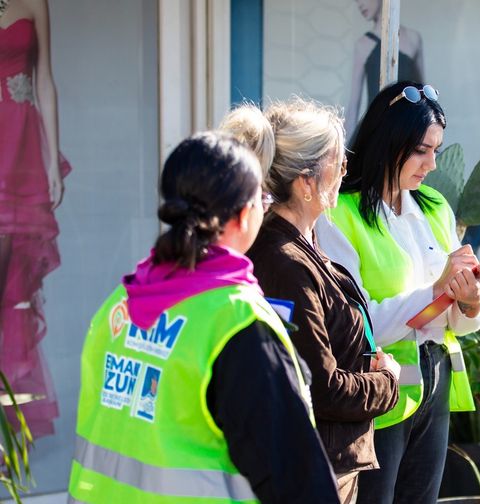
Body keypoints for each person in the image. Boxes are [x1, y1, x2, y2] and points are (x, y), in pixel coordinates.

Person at [69, 132, 339, 503]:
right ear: (245, 216)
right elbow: (298, 483)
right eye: (263, 198)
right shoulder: (236, 324)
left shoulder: (118, 305)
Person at [316, 81, 480, 504]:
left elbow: (461, 319)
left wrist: (470, 301)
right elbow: (355, 323)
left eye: (437, 150)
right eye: (421, 151)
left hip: (436, 379)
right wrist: (436, 290)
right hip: (378, 384)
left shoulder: (433, 205)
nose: (432, 164)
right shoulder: (339, 214)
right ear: (387, 142)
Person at [246, 98, 401, 504]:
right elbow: (321, 388)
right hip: (312, 470)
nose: (346, 171)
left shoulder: (298, 247)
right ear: (306, 182)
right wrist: (387, 381)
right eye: (338, 161)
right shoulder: (285, 263)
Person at [0, 0, 70, 437]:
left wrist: (50, 160)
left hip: (22, 145)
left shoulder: (34, 1)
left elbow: (44, 79)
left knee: (10, 289)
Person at [345, 0, 425, 137]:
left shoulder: (413, 39)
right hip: (376, 130)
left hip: (408, 128)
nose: (359, 5)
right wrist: (343, 150)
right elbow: (353, 105)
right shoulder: (363, 45)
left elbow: (424, 94)